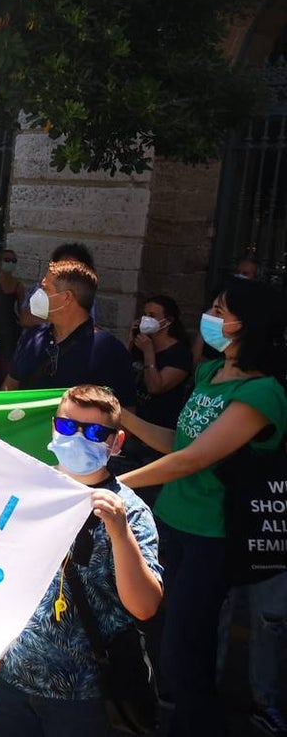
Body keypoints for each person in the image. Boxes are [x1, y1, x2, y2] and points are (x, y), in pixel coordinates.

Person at [119, 277, 287, 737]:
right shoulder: (211, 374)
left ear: (247, 325)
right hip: (170, 522)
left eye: (220, 309)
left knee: (183, 653)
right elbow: (180, 442)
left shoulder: (263, 393)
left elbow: (195, 459)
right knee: (162, 641)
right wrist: (123, 417)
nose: (210, 317)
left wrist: (117, 484)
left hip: (209, 537)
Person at [0, 384, 163, 737]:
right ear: (52, 428)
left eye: (94, 432)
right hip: (13, 679)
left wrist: (120, 534)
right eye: (66, 427)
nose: (77, 438)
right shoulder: (27, 491)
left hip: (86, 696)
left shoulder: (131, 513)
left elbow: (145, 606)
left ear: (116, 443)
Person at [3, 260, 136, 407]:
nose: (37, 295)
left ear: (66, 298)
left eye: (45, 289)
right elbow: (8, 389)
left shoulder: (108, 350)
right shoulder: (32, 337)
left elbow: (125, 413)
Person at [108, 295, 192, 504]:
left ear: (168, 321)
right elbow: (124, 373)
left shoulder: (179, 353)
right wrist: (131, 341)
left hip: (156, 432)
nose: (146, 319)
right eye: (145, 314)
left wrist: (149, 354)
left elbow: (156, 386)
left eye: (153, 316)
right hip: (131, 429)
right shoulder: (140, 344)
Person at [19, 242, 96, 328]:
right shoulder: (40, 287)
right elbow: (25, 319)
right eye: (62, 266)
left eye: (72, 269)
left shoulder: (85, 297)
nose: (65, 271)